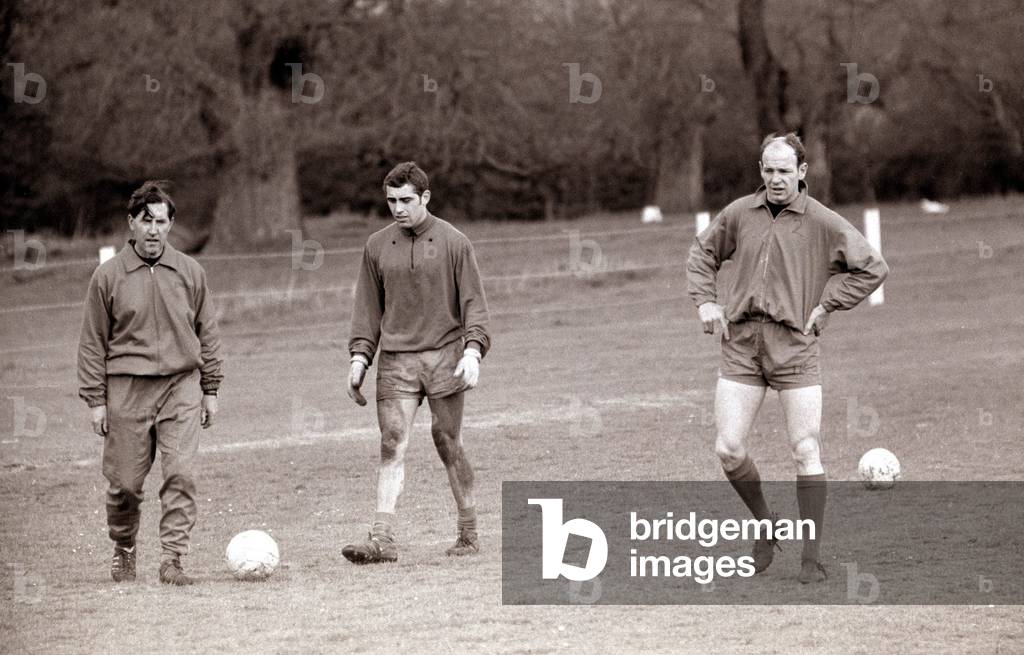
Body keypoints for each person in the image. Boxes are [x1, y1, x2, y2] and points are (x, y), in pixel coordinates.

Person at [686, 133, 888, 583]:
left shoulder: (823, 221)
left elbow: (872, 267)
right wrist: (706, 301)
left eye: (784, 171)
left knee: (805, 449)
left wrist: (828, 302)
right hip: (741, 343)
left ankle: (811, 559)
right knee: (728, 448)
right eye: (768, 169)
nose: (775, 179)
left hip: (795, 346)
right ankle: (764, 522)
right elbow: (701, 255)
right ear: (761, 170)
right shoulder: (739, 213)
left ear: (801, 172)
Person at [343, 162, 491, 564]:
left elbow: (474, 304)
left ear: (425, 197)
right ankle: (382, 539)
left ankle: (468, 531)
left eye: (406, 200)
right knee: (391, 443)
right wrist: (360, 357)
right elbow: (368, 309)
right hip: (396, 362)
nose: (398, 208)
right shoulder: (376, 246)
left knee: (447, 443)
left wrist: (473, 351)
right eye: (391, 201)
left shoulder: (455, 243)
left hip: (445, 357)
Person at [78, 181, 223, 585]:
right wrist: (96, 399)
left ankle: (173, 559)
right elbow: (92, 342)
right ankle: (124, 546)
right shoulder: (107, 277)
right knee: (124, 484)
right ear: (132, 223)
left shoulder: (191, 272)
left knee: (181, 474)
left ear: (171, 224)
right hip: (126, 389)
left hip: (181, 387)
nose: (154, 230)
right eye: (146, 221)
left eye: (162, 221)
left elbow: (207, 333)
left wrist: (210, 388)